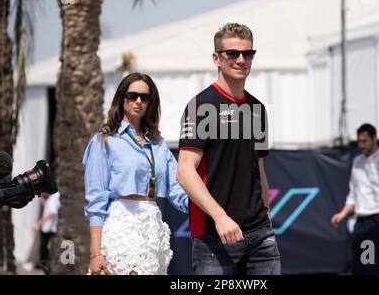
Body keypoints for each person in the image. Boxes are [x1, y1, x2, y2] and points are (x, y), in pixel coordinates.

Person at [176, 23, 281, 275]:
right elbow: (184, 172)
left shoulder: (257, 109)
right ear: (217, 59)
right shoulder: (200, 106)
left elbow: (259, 169)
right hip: (215, 236)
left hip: (260, 235)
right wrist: (220, 217)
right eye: (232, 54)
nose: (241, 60)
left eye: (248, 54)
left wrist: (265, 217)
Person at [83, 72, 189, 275]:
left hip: (153, 224)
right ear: (122, 98)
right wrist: (95, 253)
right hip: (123, 223)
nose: (138, 101)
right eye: (132, 95)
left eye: (145, 97)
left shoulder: (158, 143)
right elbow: (96, 200)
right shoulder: (105, 140)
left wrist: (209, 205)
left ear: (151, 102)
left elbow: (178, 189)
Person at [331, 123, 379, 275]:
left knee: (370, 264)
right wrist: (342, 214)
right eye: (359, 141)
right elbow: (354, 194)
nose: (361, 145)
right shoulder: (357, 162)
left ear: (374, 139)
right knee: (359, 267)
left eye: (364, 141)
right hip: (361, 221)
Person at [33, 191, 60, 274]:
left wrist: (39, 223)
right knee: (44, 249)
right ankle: (44, 267)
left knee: (45, 250)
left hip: (49, 230)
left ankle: (47, 269)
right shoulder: (51, 200)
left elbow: (52, 213)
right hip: (47, 229)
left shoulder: (51, 201)